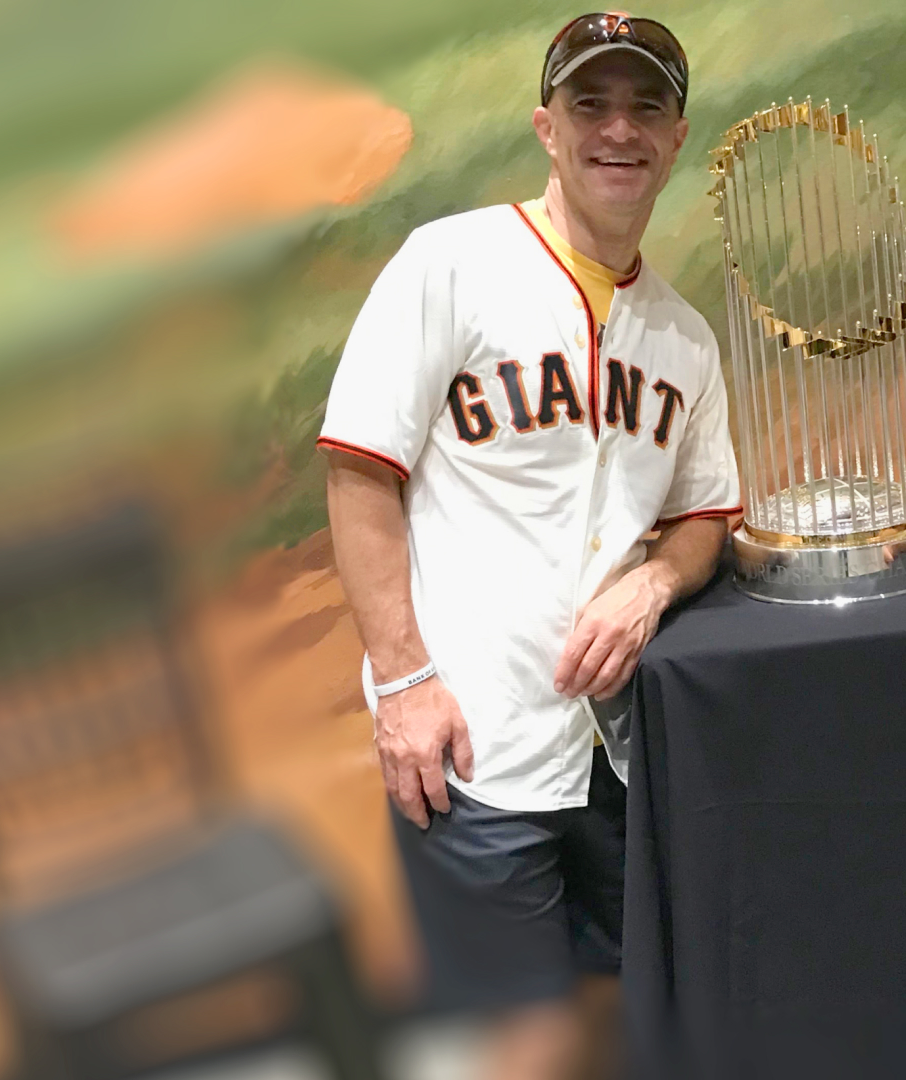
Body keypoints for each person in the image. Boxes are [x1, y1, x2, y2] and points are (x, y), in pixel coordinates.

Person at [315, 13, 739, 1079]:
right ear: (547, 127)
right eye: (592, 104)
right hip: (468, 743)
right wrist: (405, 683)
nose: (619, 129)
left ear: (678, 137)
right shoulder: (451, 264)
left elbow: (705, 517)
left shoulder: (683, 338)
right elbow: (361, 471)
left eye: (646, 106)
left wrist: (651, 585)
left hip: (615, 753)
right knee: (523, 1045)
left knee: (624, 1018)